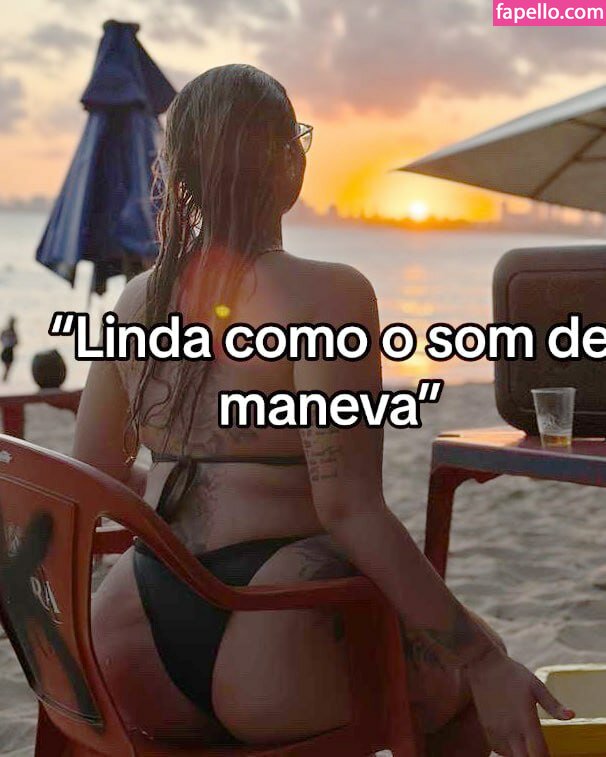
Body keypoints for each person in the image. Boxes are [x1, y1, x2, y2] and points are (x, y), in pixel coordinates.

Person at [74, 65, 572, 755]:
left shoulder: (137, 301)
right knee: (473, 693)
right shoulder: (329, 296)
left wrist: (191, 492)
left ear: (181, 172)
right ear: (289, 162)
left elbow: (93, 472)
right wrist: (484, 658)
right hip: (273, 628)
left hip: (131, 639)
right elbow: (349, 508)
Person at [1, 316, 18, 381]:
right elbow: (16, 342)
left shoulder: (5, 331)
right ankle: (4, 379)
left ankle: (4, 379)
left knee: (7, 368)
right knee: (7, 368)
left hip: (5, 350)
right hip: (9, 350)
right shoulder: (13, 332)